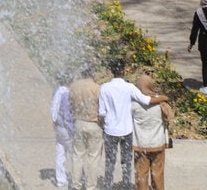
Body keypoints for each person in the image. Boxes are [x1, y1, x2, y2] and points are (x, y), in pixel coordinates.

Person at [99, 59, 168, 189]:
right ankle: (126, 186)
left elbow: (102, 113)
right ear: (124, 72)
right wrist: (164, 98)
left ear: (111, 72)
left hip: (110, 131)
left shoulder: (104, 88)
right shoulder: (129, 87)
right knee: (126, 162)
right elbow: (146, 100)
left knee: (110, 162)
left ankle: (107, 186)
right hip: (126, 131)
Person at [132, 74, 172, 190]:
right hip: (157, 144)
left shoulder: (134, 104)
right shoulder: (160, 103)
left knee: (141, 174)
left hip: (140, 144)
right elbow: (168, 117)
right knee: (158, 173)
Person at [69, 67, 104, 190]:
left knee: (77, 155)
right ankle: (90, 186)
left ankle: (75, 184)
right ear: (92, 74)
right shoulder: (97, 88)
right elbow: (102, 108)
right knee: (93, 157)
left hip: (78, 122)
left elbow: (71, 105)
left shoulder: (73, 86)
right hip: (94, 123)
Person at [51, 74, 73, 188]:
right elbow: (67, 115)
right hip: (66, 128)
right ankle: (77, 178)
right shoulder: (66, 94)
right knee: (74, 153)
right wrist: (73, 128)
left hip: (57, 126)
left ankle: (60, 179)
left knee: (60, 152)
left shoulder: (56, 90)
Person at [187, 0, 207, 90]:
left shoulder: (199, 12)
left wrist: (192, 43)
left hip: (204, 41)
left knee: (205, 63)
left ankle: (206, 85)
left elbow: (195, 29)